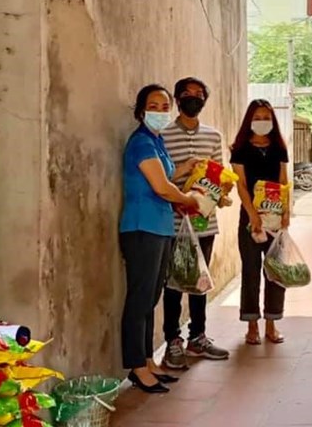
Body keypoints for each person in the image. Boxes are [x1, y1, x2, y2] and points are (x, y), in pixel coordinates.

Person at [119, 84, 199, 394]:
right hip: (142, 229)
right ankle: (136, 366)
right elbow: (162, 188)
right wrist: (191, 199)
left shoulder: (157, 141)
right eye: (153, 105)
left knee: (151, 299)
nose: (160, 111)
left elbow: (167, 177)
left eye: (165, 106)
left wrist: (187, 169)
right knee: (139, 299)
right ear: (141, 111)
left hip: (160, 228)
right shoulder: (141, 143)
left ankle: (147, 360)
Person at [161, 77, 231, 370]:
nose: (193, 98)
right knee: (174, 282)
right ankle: (172, 342)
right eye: (187, 94)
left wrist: (221, 192)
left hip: (204, 222)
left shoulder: (213, 136)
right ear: (177, 99)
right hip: (172, 221)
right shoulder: (162, 135)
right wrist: (183, 170)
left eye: (199, 94)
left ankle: (198, 337)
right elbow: (160, 177)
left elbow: (220, 176)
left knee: (200, 280)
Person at [230, 99, 290, 345]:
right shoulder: (240, 148)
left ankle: (272, 324)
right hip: (250, 218)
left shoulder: (278, 147)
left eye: (267, 117)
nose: (262, 121)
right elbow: (240, 184)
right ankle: (252, 325)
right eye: (258, 117)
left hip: (275, 216)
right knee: (251, 270)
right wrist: (253, 214)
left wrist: (285, 212)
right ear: (249, 120)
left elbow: (283, 181)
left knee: (275, 271)